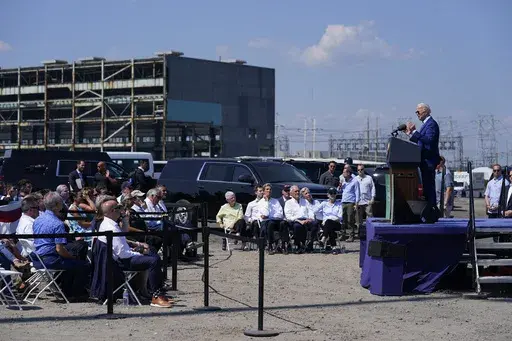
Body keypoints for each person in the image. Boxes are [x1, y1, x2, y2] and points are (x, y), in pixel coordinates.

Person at [406, 103, 440, 207]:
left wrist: (415, 131)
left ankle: (431, 209)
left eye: (418, 111)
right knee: (426, 186)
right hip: (423, 160)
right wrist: (411, 134)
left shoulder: (431, 124)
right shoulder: (425, 124)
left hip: (428, 160)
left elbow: (429, 140)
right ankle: (428, 209)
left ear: (425, 111)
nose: (417, 114)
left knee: (429, 186)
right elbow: (421, 141)